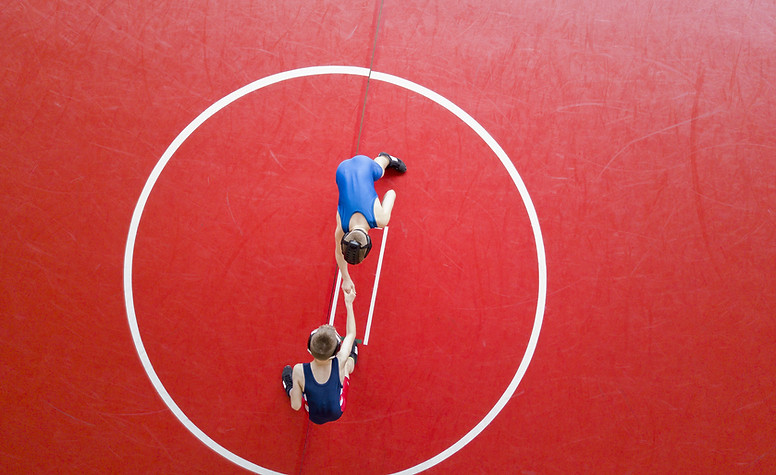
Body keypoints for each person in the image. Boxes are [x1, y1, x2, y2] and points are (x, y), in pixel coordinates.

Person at [282, 289, 359, 424]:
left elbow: (296, 406)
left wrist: (294, 391)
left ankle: (289, 388)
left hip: (313, 416)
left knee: (297, 388)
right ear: (336, 350)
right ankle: (353, 356)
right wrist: (349, 303)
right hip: (338, 410)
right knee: (346, 365)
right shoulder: (340, 360)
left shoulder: (299, 370)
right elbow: (351, 334)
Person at [335, 152, 407, 295]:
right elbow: (338, 251)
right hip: (341, 170)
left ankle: (386, 158)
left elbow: (391, 193)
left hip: (364, 164)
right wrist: (346, 278)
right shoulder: (342, 224)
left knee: (379, 171)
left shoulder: (380, 219)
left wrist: (380, 209)